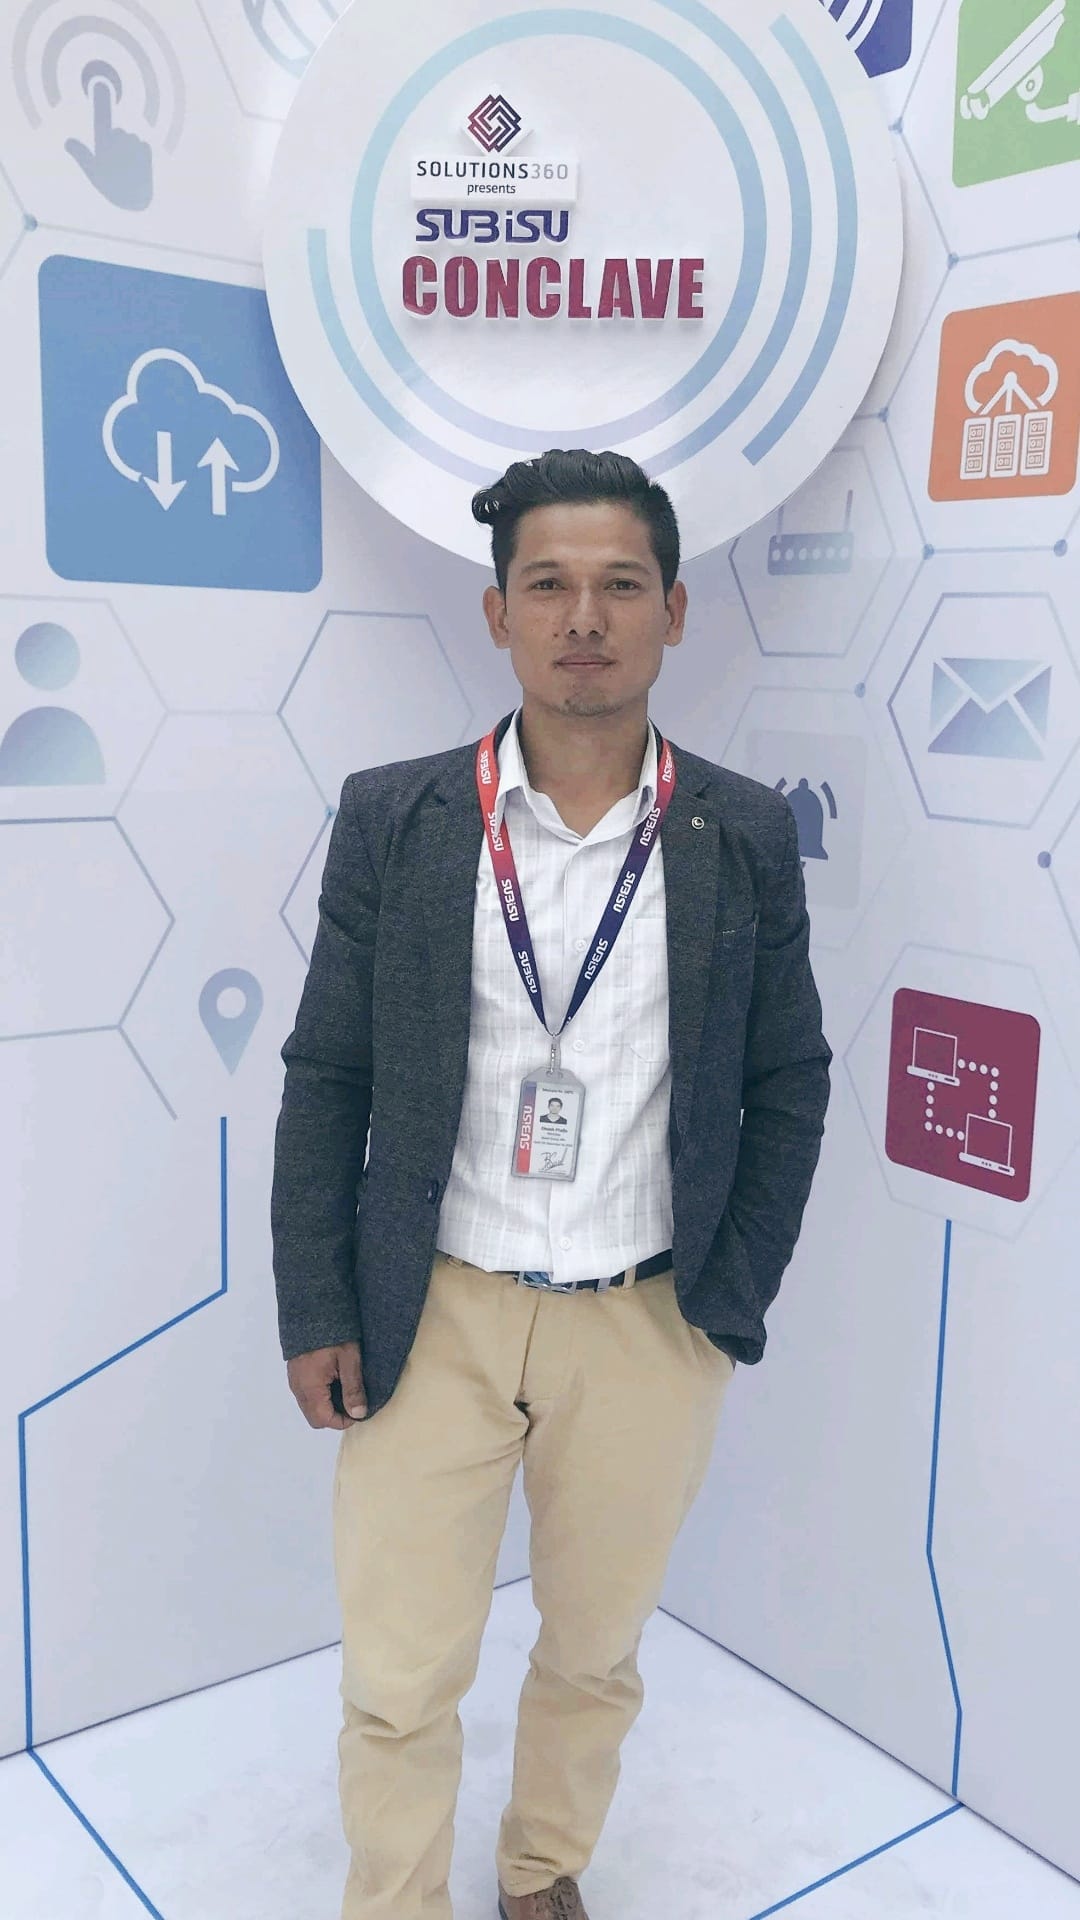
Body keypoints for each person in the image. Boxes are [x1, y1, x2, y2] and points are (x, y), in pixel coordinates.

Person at [270, 448, 832, 1920]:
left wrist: (728, 1297)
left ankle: (542, 1869)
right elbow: (327, 1073)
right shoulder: (397, 817)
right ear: (499, 612)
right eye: (550, 585)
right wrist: (318, 1303)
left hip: (647, 1317)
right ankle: (397, 1901)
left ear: (674, 613)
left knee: (594, 1651)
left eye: (620, 585)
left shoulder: (743, 832)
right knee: (400, 1671)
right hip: (432, 1311)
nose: (586, 617)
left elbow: (790, 1076)